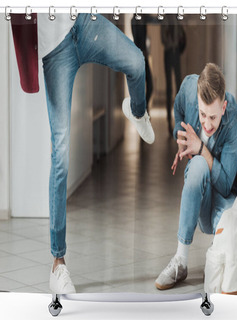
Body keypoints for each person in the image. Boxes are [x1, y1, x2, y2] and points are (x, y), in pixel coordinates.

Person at [11, 13, 155, 294]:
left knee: (137, 61)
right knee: (60, 153)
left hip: (83, 23)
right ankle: (58, 262)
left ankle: (137, 112)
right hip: (55, 49)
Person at [155, 63, 237, 290]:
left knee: (232, 219)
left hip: (222, 202)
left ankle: (218, 254)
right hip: (200, 195)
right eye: (203, 114)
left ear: (223, 107)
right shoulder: (188, 88)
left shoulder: (234, 120)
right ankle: (180, 261)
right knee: (198, 166)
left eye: (213, 117)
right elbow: (177, 108)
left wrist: (200, 147)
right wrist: (180, 136)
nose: (206, 123)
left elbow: (224, 185)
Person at [161, 15, 185, 136]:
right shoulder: (165, 20)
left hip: (175, 52)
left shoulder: (176, 19)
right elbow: (163, 39)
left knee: (178, 86)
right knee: (169, 88)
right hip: (168, 52)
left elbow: (180, 36)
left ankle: (180, 121)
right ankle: (169, 121)